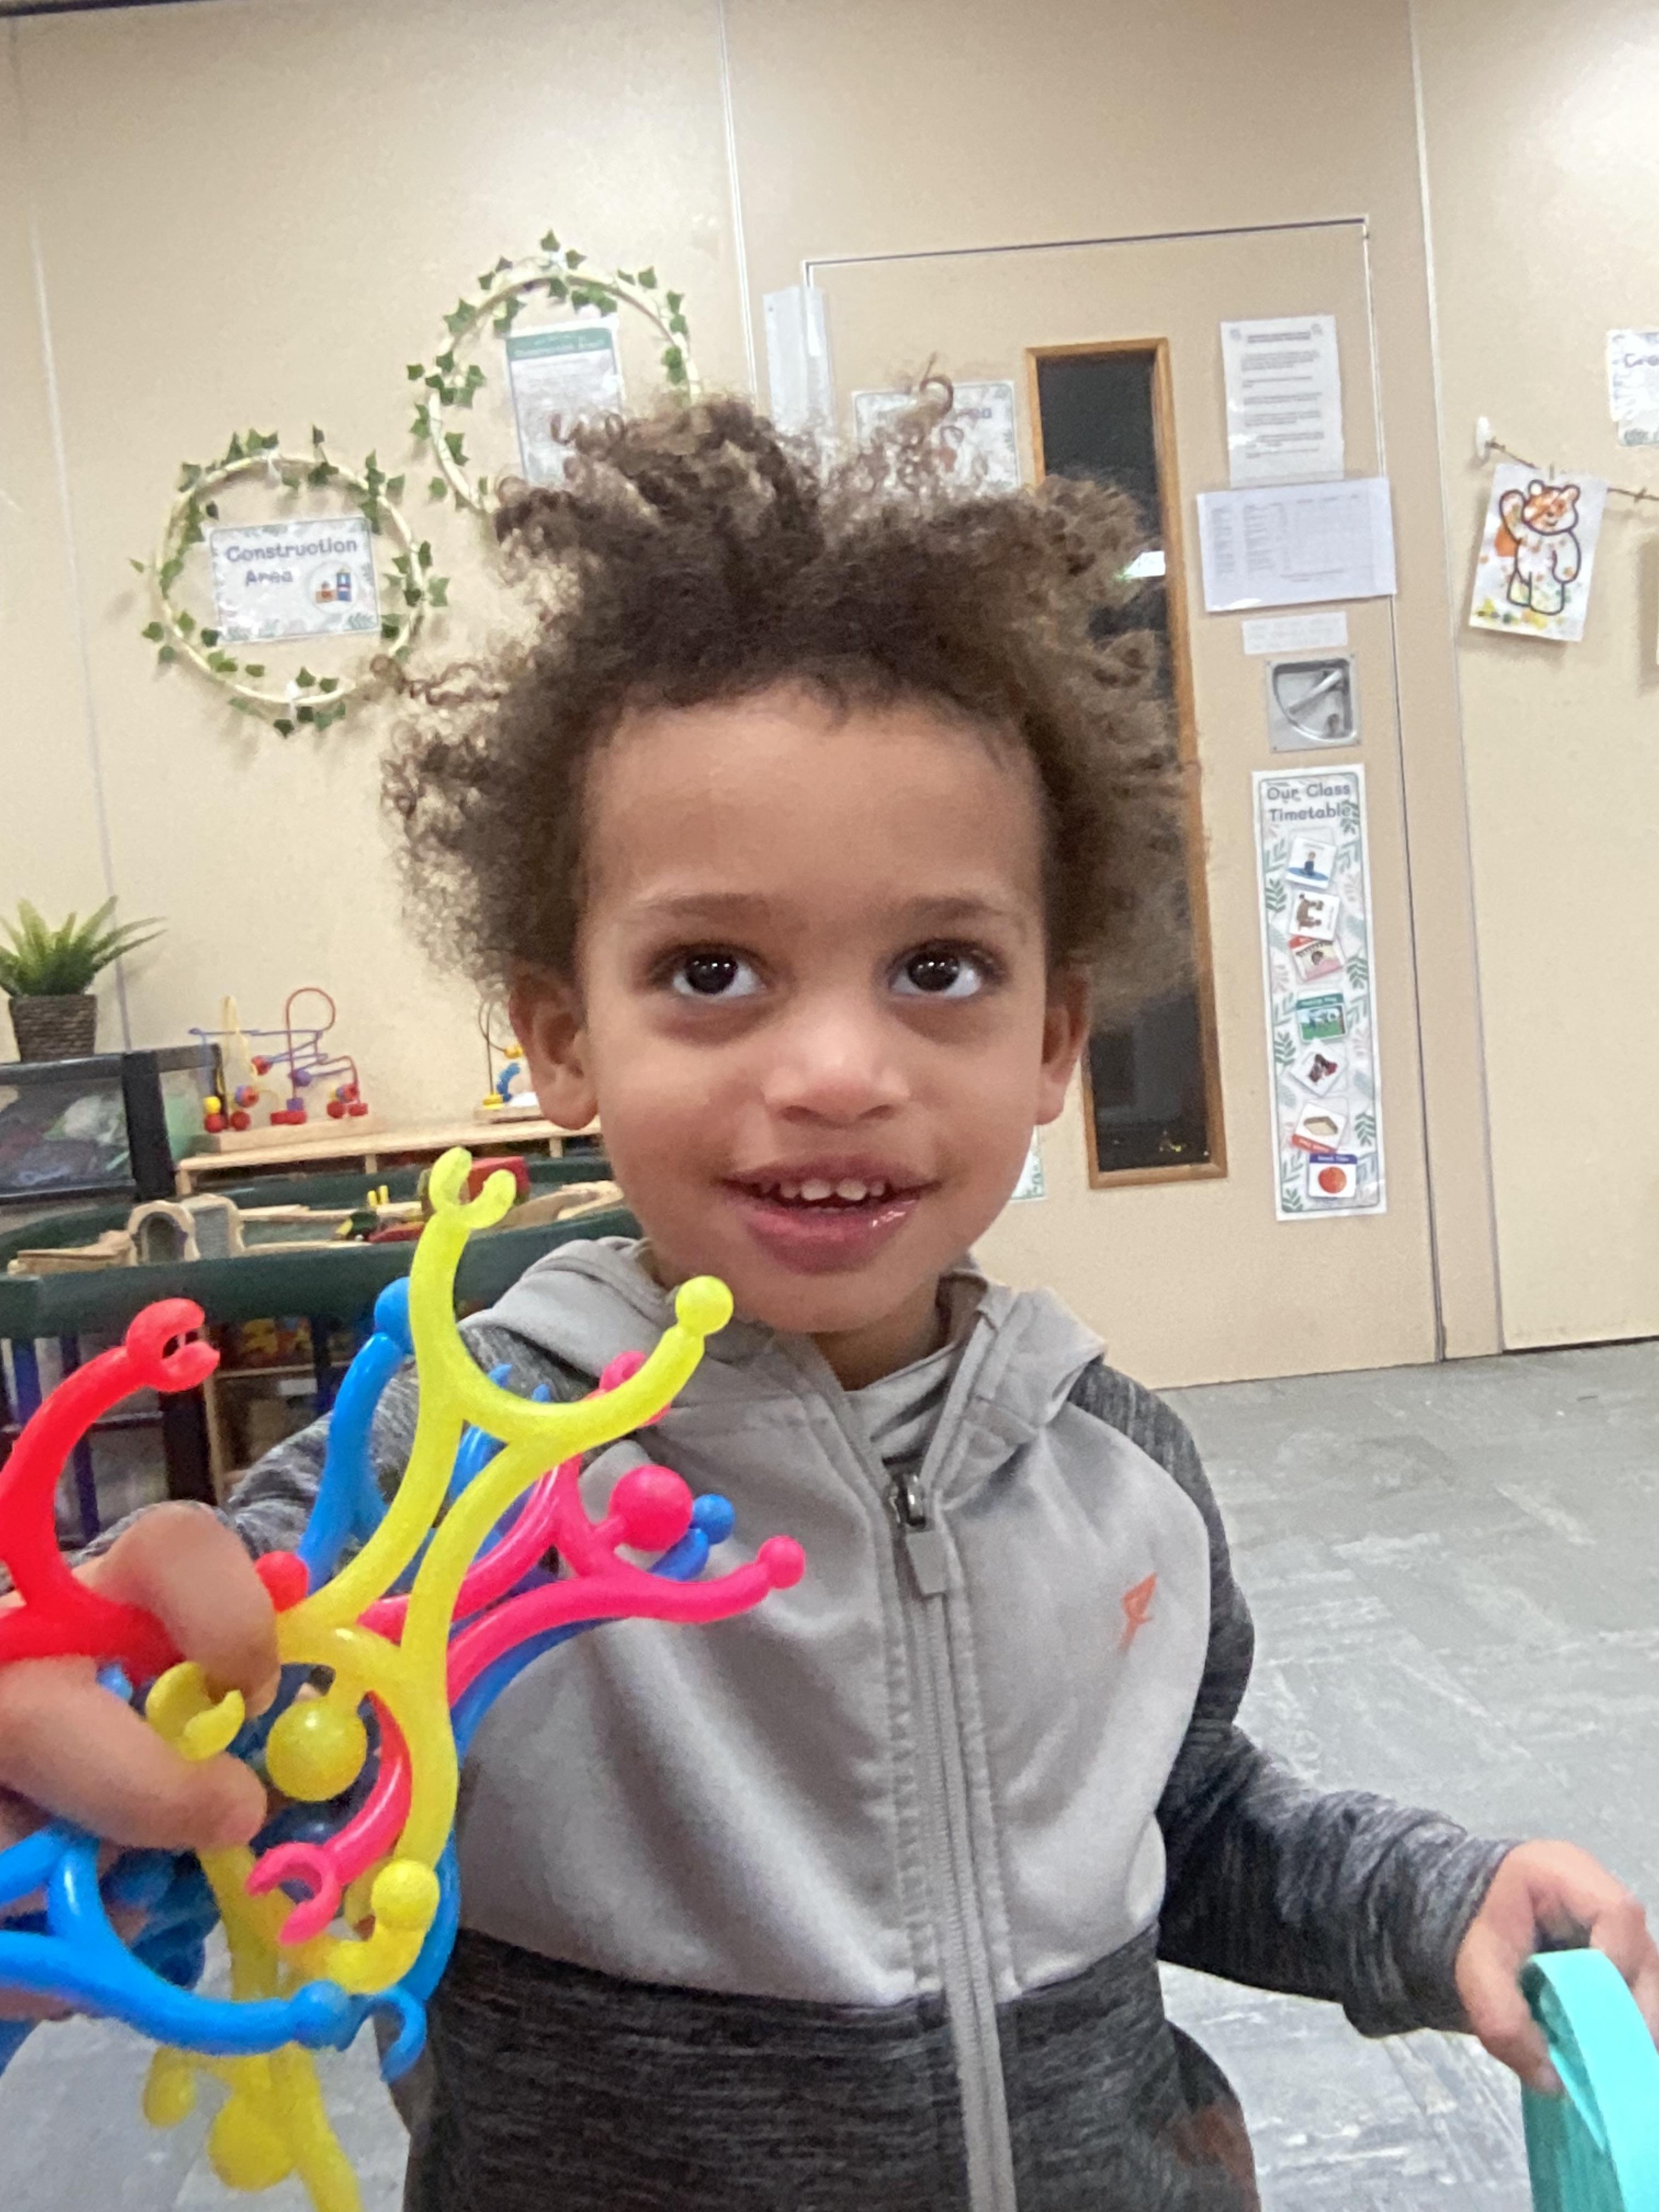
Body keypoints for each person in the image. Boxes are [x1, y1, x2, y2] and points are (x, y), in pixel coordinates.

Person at [3, 396, 1656, 2211]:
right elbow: (228, 1725)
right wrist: (110, 1715)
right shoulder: (437, 1463)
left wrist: (1429, 1901)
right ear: (561, 1036)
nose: (839, 1071)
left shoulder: (1117, 1468)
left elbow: (1178, 1822)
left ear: (1052, 1039)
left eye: (938, 967)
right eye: (713, 970)